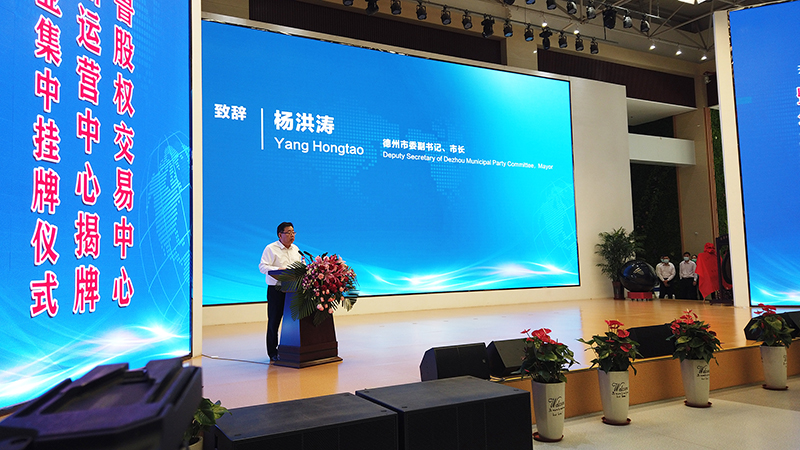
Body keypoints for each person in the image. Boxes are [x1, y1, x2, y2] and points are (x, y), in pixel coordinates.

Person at [259, 222, 302, 362]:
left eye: (293, 232)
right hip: (276, 289)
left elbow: (301, 266)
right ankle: (272, 352)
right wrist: (278, 270)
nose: (292, 235)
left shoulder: (296, 249)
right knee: (274, 321)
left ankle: (290, 349)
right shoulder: (271, 248)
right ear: (280, 234)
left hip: (293, 290)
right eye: (288, 232)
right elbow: (263, 267)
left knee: (292, 322)